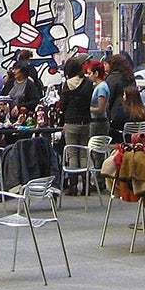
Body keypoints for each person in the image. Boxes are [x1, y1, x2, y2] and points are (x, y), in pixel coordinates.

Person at [59, 57, 93, 196]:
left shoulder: (66, 85)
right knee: (84, 153)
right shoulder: (88, 83)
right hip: (86, 121)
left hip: (71, 121)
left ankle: (73, 186)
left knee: (72, 154)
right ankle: (86, 184)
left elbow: (63, 105)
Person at [104, 53, 136, 121]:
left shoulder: (112, 78)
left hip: (116, 115)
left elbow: (109, 97)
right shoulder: (130, 77)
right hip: (132, 112)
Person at [86, 60, 110, 139]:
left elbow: (101, 109)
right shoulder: (98, 86)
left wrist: (87, 109)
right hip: (97, 121)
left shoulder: (101, 88)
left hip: (99, 123)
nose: (88, 76)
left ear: (96, 73)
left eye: (89, 73)